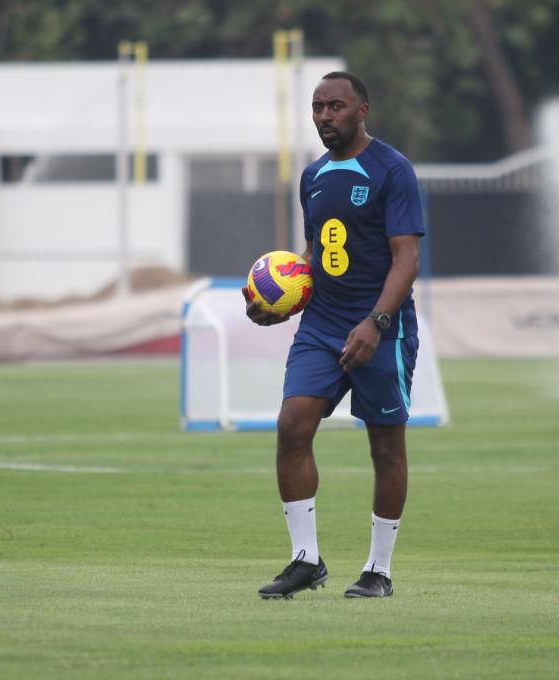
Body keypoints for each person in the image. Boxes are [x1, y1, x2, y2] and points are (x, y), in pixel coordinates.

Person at [244, 71, 425, 599]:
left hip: (381, 330)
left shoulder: (393, 170)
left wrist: (376, 322)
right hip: (321, 325)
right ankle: (305, 560)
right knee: (291, 425)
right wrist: (282, 301)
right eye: (318, 107)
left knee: (386, 449)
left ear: (362, 110)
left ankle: (379, 570)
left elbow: (406, 259)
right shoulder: (313, 176)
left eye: (337, 106)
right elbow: (316, 257)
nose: (325, 116)